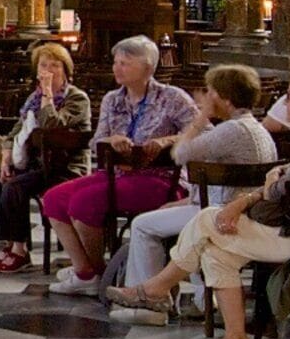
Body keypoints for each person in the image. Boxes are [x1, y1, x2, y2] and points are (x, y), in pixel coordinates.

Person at [106, 64, 290, 339]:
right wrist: (272, 180)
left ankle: (156, 289)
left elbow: (277, 192)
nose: (284, 102)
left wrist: (254, 194)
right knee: (217, 253)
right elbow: (283, 181)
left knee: (207, 219)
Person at [44, 35, 199, 290]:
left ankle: (102, 275)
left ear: (148, 68)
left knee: (84, 203)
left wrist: (167, 140)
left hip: (160, 177)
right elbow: (95, 142)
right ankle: (86, 271)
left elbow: (203, 133)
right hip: (118, 173)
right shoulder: (113, 99)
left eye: (125, 63)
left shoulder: (172, 98)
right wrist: (110, 140)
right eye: (116, 62)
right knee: (54, 198)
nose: (117, 68)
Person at [124, 65, 273, 286]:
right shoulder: (260, 130)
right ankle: (200, 297)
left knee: (142, 225)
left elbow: (181, 153)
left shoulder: (232, 130)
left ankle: (146, 297)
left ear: (226, 98)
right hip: (243, 210)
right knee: (169, 212)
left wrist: (201, 117)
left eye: (211, 92)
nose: (207, 96)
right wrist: (185, 201)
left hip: (220, 213)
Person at [0, 39, 91, 274]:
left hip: (64, 167)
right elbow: (15, 131)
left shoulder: (77, 99)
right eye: (44, 66)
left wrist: (48, 97)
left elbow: (52, 125)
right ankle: (8, 244)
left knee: (15, 187)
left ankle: (21, 252)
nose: (48, 71)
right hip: (35, 165)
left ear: (66, 70)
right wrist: (5, 157)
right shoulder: (33, 99)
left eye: (55, 65)